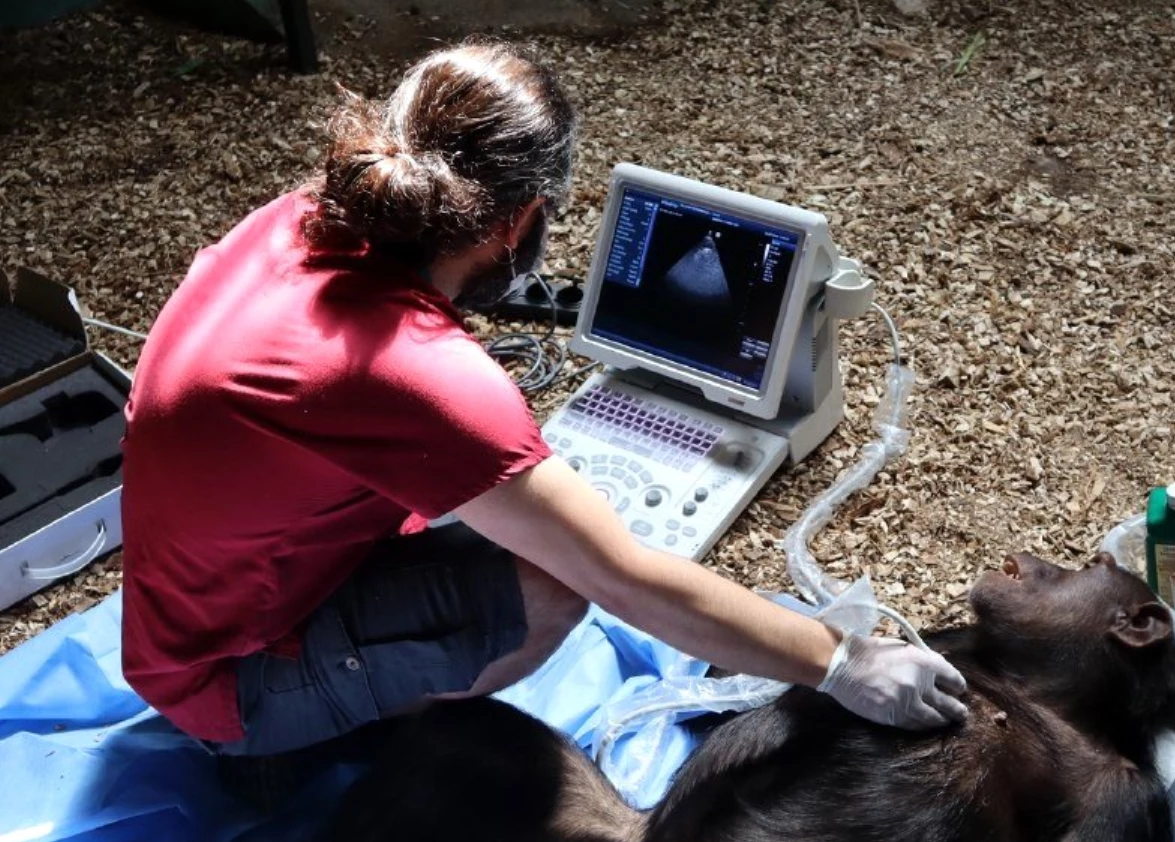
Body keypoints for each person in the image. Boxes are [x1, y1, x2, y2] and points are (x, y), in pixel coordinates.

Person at [119, 38, 968, 781]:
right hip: (228, 682)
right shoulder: (417, 374)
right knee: (554, 582)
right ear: (520, 219)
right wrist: (839, 660)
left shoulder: (300, 219)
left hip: (187, 607)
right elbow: (621, 577)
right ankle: (318, 741)